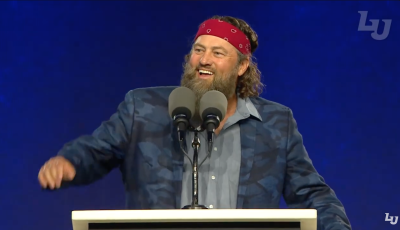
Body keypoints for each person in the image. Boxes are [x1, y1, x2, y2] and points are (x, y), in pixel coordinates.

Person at [38, 15, 352, 230]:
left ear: (242, 66)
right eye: (198, 50)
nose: (204, 59)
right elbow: (97, 150)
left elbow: (312, 193)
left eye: (218, 53)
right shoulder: (144, 107)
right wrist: (69, 162)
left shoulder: (275, 122)